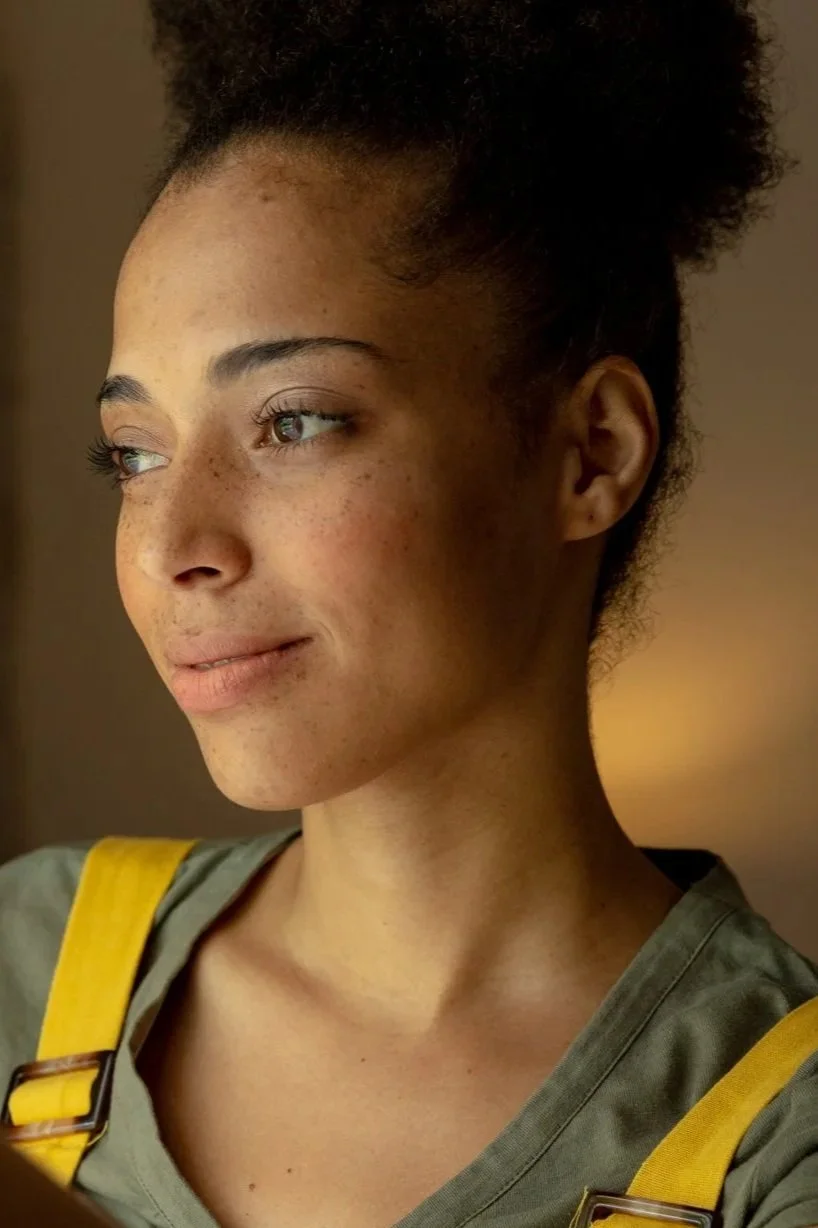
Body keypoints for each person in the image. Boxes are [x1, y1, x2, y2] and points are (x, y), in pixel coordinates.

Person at [1, 2, 817, 1227]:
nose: (173, 547)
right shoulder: (24, 957)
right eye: (133, 452)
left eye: (292, 421)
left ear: (588, 453)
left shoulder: (777, 1134)